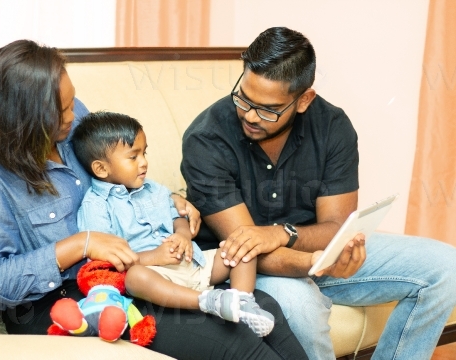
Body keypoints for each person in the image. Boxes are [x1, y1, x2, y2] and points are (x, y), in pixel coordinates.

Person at [0, 39, 309, 359]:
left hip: (130, 270)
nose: (75, 117)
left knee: (265, 309)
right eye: (62, 112)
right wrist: (79, 245)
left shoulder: (71, 124)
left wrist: (171, 203)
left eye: (73, 104)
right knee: (230, 340)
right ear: (24, 120)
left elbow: (117, 172)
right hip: (61, 302)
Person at [180, 26, 456, 360]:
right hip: (249, 267)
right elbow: (245, 248)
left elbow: (336, 227)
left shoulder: (332, 126)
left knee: (447, 267)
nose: (250, 116)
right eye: (244, 99)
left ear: (304, 99)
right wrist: (314, 261)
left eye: (268, 109)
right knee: (302, 307)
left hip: (314, 249)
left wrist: (283, 234)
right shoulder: (206, 139)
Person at [73, 111, 274, 337]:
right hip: (156, 274)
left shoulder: (154, 189)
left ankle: (241, 301)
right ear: (101, 168)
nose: (144, 163)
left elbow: (177, 216)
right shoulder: (96, 206)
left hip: (193, 263)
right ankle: (208, 301)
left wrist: (183, 235)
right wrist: (153, 257)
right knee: (135, 278)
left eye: (144, 153)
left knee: (243, 247)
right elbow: (103, 260)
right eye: (133, 157)